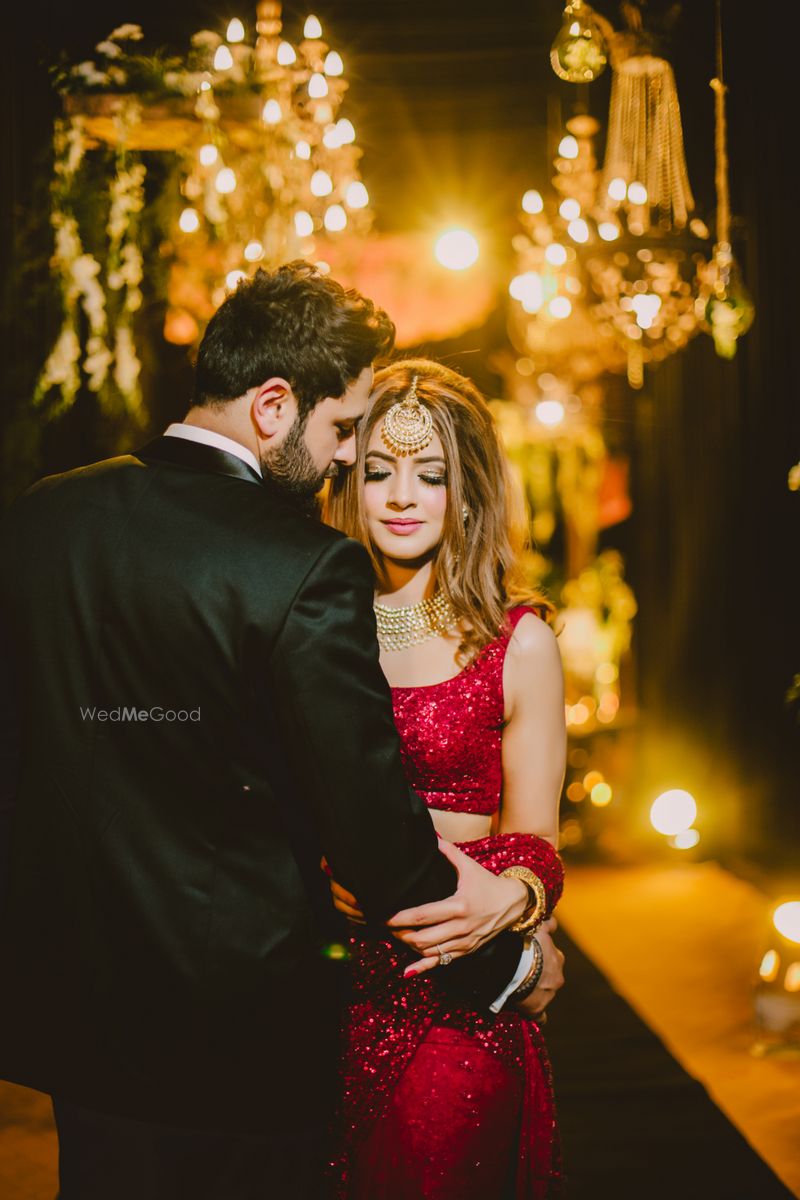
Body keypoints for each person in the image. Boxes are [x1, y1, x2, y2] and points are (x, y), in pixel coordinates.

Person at [0, 265, 540, 1200]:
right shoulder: (300, 564)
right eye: (341, 431)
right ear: (273, 404)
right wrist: (512, 967)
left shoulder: (44, 516)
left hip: (78, 1011)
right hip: (239, 1030)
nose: (341, 460)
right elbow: (372, 831)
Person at [325, 359, 567, 1199]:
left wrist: (518, 901)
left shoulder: (517, 642)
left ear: (466, 492)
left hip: (455, 997)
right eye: (379, 472)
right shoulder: (315, 626)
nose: (400, 496)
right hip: (319, 986)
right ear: (346, 480)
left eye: (429, 475)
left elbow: (537, 842)